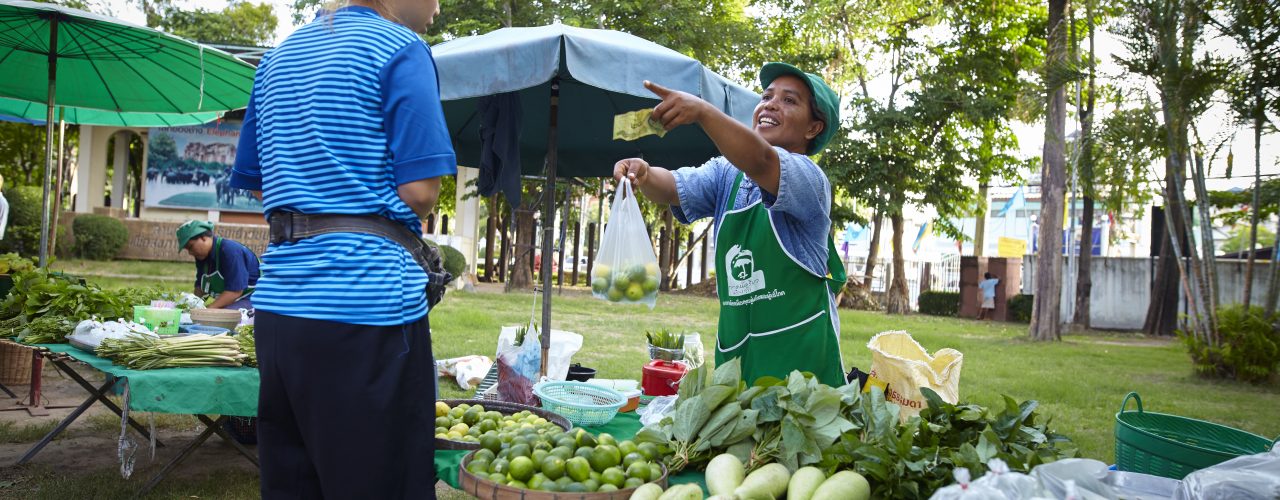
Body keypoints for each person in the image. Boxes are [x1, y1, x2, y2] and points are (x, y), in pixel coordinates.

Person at [228, 0, 454, 497]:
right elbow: (421, 192)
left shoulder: (277, 58)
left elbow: (260, 184)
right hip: (367, 308)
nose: (439, 5)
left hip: (281, 309)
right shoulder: (401, 49)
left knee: (295, 484)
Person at [614, 63, 847, 388]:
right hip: (738, 363)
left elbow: (762, 160)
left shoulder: (809, 180)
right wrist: (645, 173)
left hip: (803, 374)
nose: (770, 104)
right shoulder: (727, 174)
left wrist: (703, 112)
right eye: (766, 96)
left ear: (813, 128)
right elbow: (673, 189)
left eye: (789, 101)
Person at [176, 220, 259, 310]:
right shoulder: (202, 256)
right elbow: (200, 286)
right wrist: (192, 305)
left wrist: (209, 309)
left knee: (220, 317)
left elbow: (235, 291)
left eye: (190, 247)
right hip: (232, 299)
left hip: (253, 297)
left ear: (203, 238)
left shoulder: (230, 251)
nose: (190, 252)